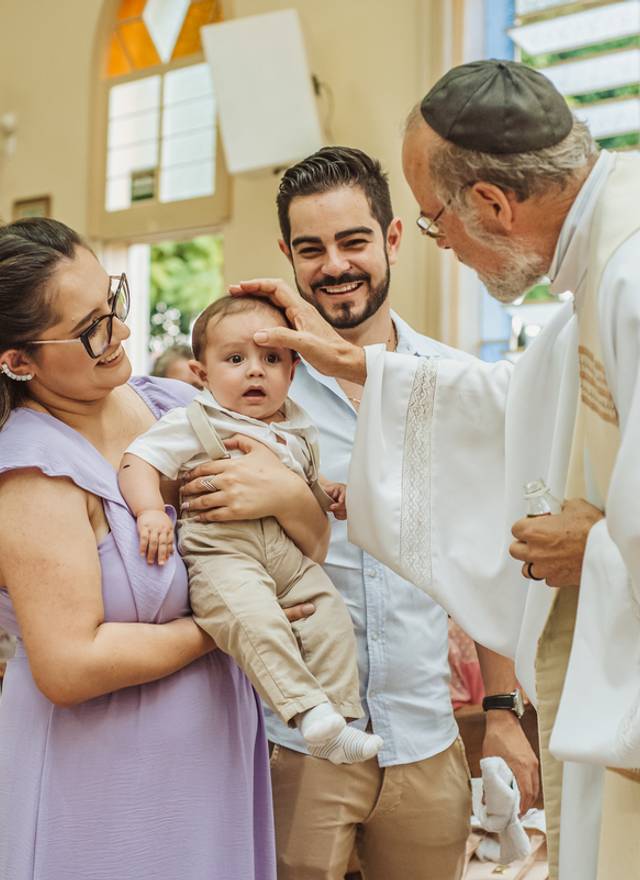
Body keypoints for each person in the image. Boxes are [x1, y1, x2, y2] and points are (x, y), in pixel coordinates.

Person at [227, 62, 640, 880]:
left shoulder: (627, 280)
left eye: (433, 218)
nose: (441, 240)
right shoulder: (598, 279)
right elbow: (515, 401)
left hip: (423, 736)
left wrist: (596, 548)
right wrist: (359, 368)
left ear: (491, 202)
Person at [0, 217, 322, 880]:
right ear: (19, 361)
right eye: (92, 328)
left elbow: (307, 545)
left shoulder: (173, 403)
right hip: (105, 783)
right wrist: (225, 625)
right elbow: (69, 665)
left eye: (113, 301)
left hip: (213, 752)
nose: (121, 332)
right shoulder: (33, 474)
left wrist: (292, 497)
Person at [252, 145, 537, 880]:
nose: (334, 266)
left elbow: (490, 554)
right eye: (311, 249)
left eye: (353, 241)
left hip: (425, 737)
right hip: (297, 743)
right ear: (287, 255)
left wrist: (501, 710)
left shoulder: (458, 384)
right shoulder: (255, 391)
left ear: (394, 239)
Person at [119, 294, 383, 765]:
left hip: (287, 555)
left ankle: (339, 717)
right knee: (255, 619)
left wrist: (329, 492)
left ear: (293, 371)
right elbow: (138, 460)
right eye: (236, 359)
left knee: (330, 614)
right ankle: (306, 710)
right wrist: (150, 511)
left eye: (272, 359)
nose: (256, 371)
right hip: (223, 550)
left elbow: (304, 482)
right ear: (202, 374)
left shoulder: (295, 427)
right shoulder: (194, 419)